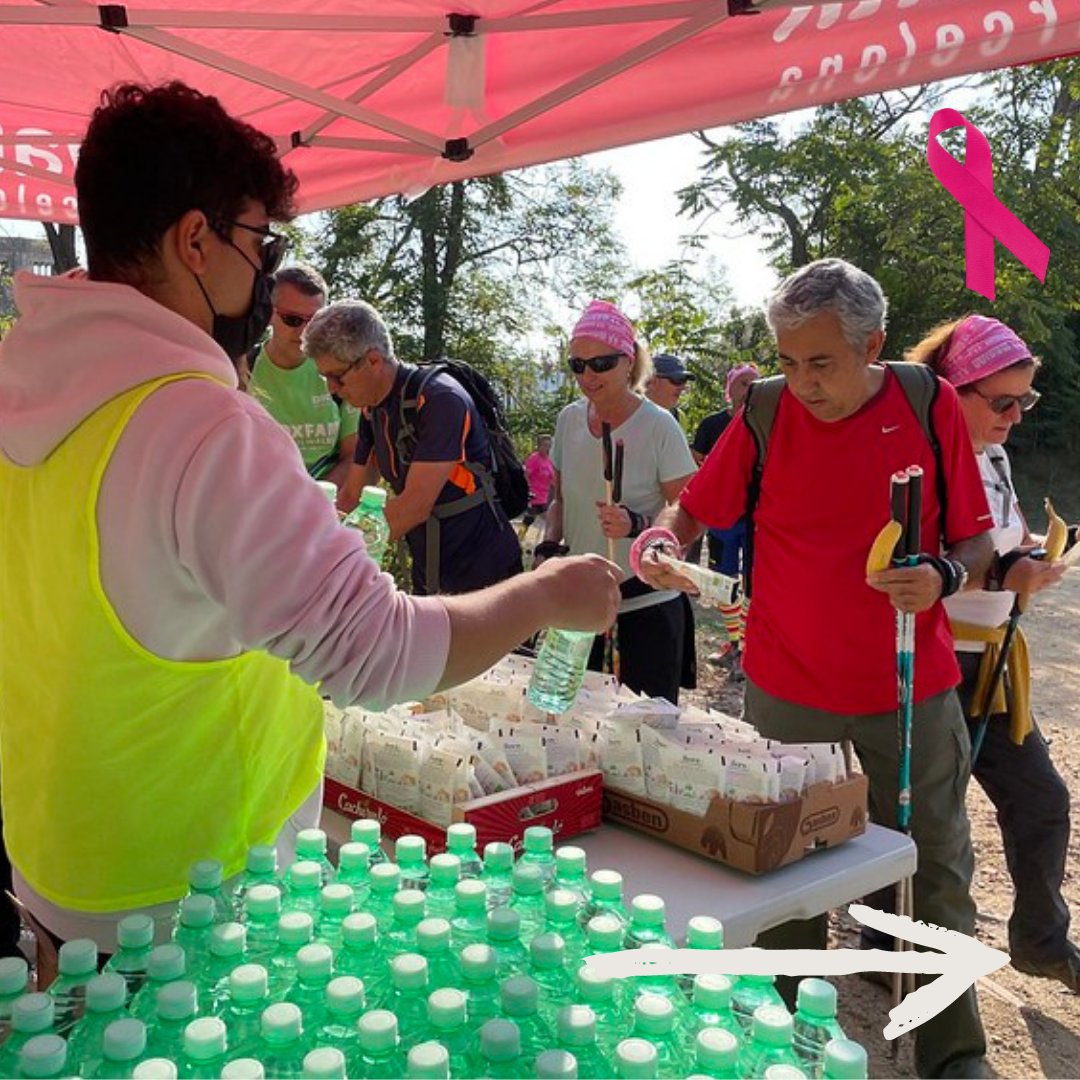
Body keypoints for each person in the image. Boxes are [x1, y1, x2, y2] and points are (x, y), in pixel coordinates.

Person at [0, 81, 620, 947]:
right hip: (187, 889)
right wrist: (547, 594)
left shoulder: (25, 378)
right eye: (260, 242)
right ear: (195, 240)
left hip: (59, 848)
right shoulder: (197, 420)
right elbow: (380, 653)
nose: (264, 270)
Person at [634, 259, 994, 1079]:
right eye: (789, 361)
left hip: (909, 683)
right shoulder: (761, 410)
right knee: (781, 867)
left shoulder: (927, 403)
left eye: (821, 362)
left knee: (935, 866)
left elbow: (974, 535)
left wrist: (945, 573)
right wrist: (665, 542)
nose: (801, 382)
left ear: (873, 346)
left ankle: (954, 1053)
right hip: (786, 685)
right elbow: (695, 509)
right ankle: (781, 1041)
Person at [909, 314, 1078, 993]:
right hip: (937, 661)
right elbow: (920, 566)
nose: (1014, 416)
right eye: (1001, 401)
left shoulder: (996, 455)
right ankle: (897, 941)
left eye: (1024, 400)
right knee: (933, 819)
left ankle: (1040, 942)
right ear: (951, 392)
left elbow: (991, 538)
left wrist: (1027, 552)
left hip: (995, 662)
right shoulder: (919, 458)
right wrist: (1004, 574)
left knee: (1041, 798)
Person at [307, 301, 523, 596]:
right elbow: (351, 496)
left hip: (485, 574)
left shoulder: (440, 399)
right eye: (324, 377)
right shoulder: (373, 410)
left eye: (337, 376)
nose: (332, 389)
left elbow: (414, 507)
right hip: (430, 573)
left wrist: (331, 562)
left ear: (372, 360)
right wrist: (308, 546)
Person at [540, 300, 698, 703]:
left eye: (601, 364)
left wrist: (642, 527)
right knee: (575, 727)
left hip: (646, 603)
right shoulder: (568, 420)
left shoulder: (660, 425)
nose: (588, 376)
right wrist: (548, 543)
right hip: (581, 602)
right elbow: (559, 498)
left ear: (629, 361)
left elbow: (688, 506)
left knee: (645, 738)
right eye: (578, 365)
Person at [245, 264, 359, 487]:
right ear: (269, 313)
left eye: (315, 321)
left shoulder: (341, 372)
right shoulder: (241, 371)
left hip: (324, 504)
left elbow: (354, 457)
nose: (305, 332)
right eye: (292, 320)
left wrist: (314, 501)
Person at [691, 363, 760, 669]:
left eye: (755, 384)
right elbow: (696, 467)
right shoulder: (711, 425)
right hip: (722, 518)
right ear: (729, 389)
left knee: (755, 583)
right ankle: (734, 642)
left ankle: (747, 644)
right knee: (724, 580)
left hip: (759, 518)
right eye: (743, 383)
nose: (749, 389)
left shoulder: (768, 423)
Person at [643, 352, 695, 416]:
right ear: (652, 381)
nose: (682, 387)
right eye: (677, 379)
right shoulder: (629, 413)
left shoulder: (679, 417)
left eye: (684, 381)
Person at [522, 434, 556, 529]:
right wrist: (528, 489)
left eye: (549, 446)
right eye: (545, 445)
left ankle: (519, 538)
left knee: (544, 520)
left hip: (544, 496)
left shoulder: (549, 460)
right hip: (535, 496)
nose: (547, 448)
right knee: (530, 520)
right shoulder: (534, 458)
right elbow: (526, 474)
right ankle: (519, 538)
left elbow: (552, 479)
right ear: (539, 446)